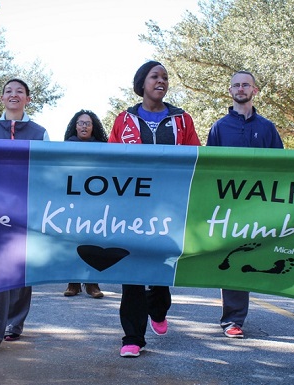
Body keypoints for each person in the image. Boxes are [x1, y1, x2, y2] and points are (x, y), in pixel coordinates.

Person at [108, 60, 201, 357]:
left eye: (164, 77)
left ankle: (158, 309)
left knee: (162, 269)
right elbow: (110, 158)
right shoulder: (124, 119)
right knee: (131, 267)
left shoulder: (182, 119)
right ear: (142, 83)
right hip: (131, 207)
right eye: (154, 76)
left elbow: (196, 157)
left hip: (168, 206)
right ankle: (132, 337)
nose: (160, 81)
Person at [206, 71, 283, 339]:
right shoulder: (219, 128)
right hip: (229, 206)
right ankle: (232, 320)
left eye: (245, 84)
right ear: (230, 90)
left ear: (255, 90)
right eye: (236, 85)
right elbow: (210, 169)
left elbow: (282, 168)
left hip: (260, 204)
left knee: (253, 256)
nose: (241, 88)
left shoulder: (268, 128)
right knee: (234, 257)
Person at [0, 78, 48, 351]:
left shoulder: (40, 133)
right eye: (8, 91)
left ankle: (14, 323)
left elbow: (46, 173)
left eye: (20, 91)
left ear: (28, 99)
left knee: (20, 270)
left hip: (26, 210)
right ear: (2, 99)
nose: (13, 94)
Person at [62, 109, 108, 298]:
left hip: (96, 200)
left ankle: (92, 284)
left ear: (93, 127)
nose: (84, 126)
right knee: (73, 239)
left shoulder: (104, 148)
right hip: (72, 200)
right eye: (80, 123)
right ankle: (73, 283)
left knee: (93, 239)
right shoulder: (65, 147)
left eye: (87, 123)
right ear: (75, 126)